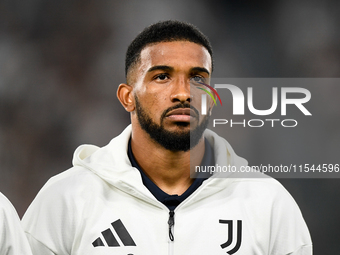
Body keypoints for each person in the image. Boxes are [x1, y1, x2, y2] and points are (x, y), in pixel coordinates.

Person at [22, 20, 312, 254]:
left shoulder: (269, 203)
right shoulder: (65, 199)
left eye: (198, 78)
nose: (184, 93)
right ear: (127, 97)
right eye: (162, 76)